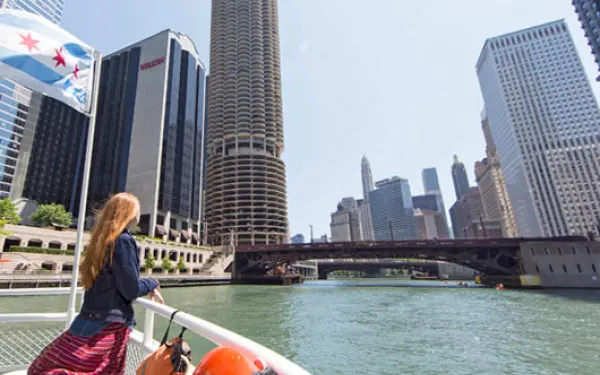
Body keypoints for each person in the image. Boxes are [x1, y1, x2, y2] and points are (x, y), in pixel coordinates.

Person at [28, 192, 164, 375]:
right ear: (130, 213)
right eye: (137, 209)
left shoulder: (100, 240)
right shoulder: (123, 240)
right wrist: (152, 282)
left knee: (46, 366)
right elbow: (131, 290)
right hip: (108, 324)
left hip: (85, 319)